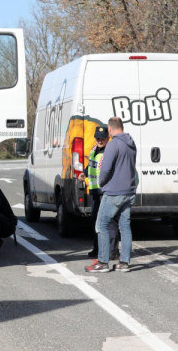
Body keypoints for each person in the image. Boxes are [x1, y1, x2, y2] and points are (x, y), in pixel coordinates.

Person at [85, 117, 137, 273]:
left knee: (101, 225)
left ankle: (102, 261)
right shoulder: (131, 143)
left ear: (110, 129)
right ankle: (124, 263)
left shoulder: (113, 144)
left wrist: (101, 182)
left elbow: (106, 169)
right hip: (128, 191)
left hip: (114, 192)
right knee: (125, 227)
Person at [78, 126, 119, 260]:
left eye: (103, 138)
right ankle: (98, 248)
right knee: (96, 221)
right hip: (96, 191)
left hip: (106, 191)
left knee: (110, 222)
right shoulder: (94, 150)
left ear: (108, 138)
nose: (100, 140)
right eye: (98, 138)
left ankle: (113, 251)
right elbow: (91, 165)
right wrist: (84, 173)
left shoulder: (109, 151)